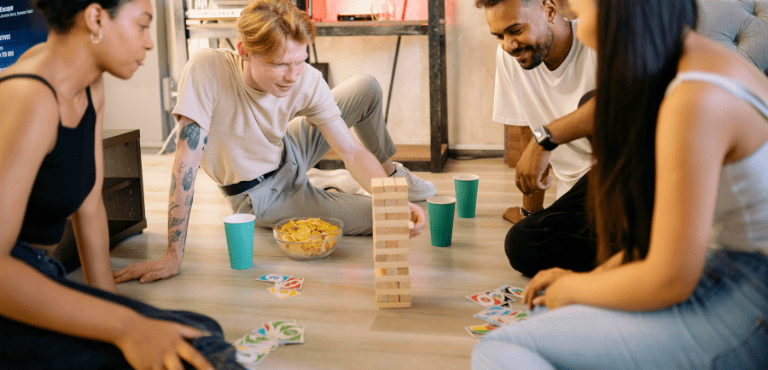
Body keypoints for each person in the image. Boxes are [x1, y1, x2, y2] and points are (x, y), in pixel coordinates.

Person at [472, 0, 768, 368]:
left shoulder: (694, 98)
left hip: (749, 300)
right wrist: (587, 280)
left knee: (498, 348)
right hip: (722, 269)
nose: (563, 5)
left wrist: (574, 287)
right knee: (540, 317)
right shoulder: (682, 66)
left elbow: (671, 278)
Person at [112, 0, 431, 284]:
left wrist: (391, 198)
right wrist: (172, 254)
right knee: (385, 220)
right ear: (244, 51)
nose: (294, 76)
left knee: (366, 86)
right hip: (261, 194)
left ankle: (388, 175)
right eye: (280, 64)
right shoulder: (207, 69)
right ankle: (324, 186)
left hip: (287, 149)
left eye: (300, 60)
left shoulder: (303, 76)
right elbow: (185, 165)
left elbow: (350, 149)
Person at [0, 1, 243, 368]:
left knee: (202, 329)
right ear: (96, 18)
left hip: (39, 271)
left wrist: (111, 305)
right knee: (201, 355)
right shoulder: (30, 98)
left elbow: (90, 202)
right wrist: (125, 326)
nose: (149, 43)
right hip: (12, 288)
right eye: (143, 26)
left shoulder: (87, 84)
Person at [476, 0, 599, 276]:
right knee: (521, 242)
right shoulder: (509, 57)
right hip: (579, 199)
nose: (509, 45)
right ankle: (633, 249)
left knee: (594, 102)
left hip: (622, 180)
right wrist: (531, 215)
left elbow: (622, 101)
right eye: (500, 36)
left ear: (550, 9)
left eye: (516, 30)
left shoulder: (595, 37)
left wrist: (546, 138)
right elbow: (526, 129)